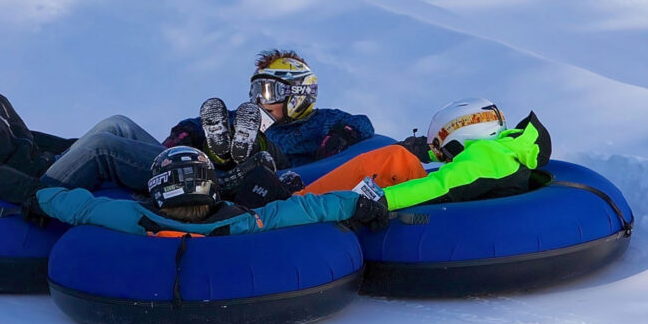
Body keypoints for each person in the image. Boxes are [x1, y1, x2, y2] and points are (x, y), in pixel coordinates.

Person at [0, 28, 164, 209]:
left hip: (42, 166)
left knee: (116, 125)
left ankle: (186, 160)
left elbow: (26, 140)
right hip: (36, 186)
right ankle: (189, 180)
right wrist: (37, 196)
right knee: (103, 147)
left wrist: (75, 146)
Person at [231, 98, 551, 214]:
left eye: (441, 145)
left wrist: (385, 200)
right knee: (396, 155)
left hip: (430, 207)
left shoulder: (486, 157)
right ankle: (290, 189)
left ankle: (291, 201)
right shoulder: (507, 150)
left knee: (391, 160)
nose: (438, 152)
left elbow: (439, 186)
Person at [31, 146, 390, 236]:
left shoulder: (131, 217)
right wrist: (356, 203)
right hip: (231, 222)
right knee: (280, 194)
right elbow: (309, 210)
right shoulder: (248, 222)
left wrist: (41, 199)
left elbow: (81, 207)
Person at [162, 50, 375, 169]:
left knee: (258, 146)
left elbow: (362, 124)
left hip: (281, 177)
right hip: (224, 178)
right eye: (255, 91)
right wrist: (186, 132)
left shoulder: (321, 121)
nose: (260, 101)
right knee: (127, 128)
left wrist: (342, 135)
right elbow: (212, 119)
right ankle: (217, 152)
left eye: (267, 92)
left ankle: (243, 149)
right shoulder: (248, 118)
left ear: (298, 94)